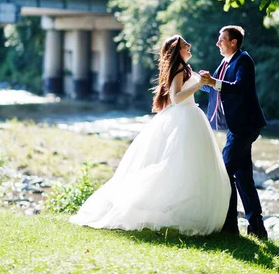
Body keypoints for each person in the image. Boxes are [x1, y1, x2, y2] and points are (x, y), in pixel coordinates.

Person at [69, 35, 231, 235]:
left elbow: (195, 86)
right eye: (184, 45)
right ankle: (151, 206)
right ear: (176, 51)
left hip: (191, 117)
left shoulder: (187, 68)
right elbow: (176, 98)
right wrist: (199, 84)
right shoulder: (179, 69)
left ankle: (185, 213)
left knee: (190, 166)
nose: (189, 46)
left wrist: (205, 80)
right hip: (183, 118)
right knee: (175, 165)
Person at [199, 25, 268, 239]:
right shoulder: (226, 62)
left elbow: (238, 87)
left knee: (224, 173)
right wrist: (193, 78)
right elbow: (214, 87)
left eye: (222, 39)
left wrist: (213, 81)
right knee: (243, 177)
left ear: (233, 42)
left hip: (246, 126)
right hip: (236, 127)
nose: (218, 43)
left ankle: (229, 227)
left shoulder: (244, 60)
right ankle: (257, 227)